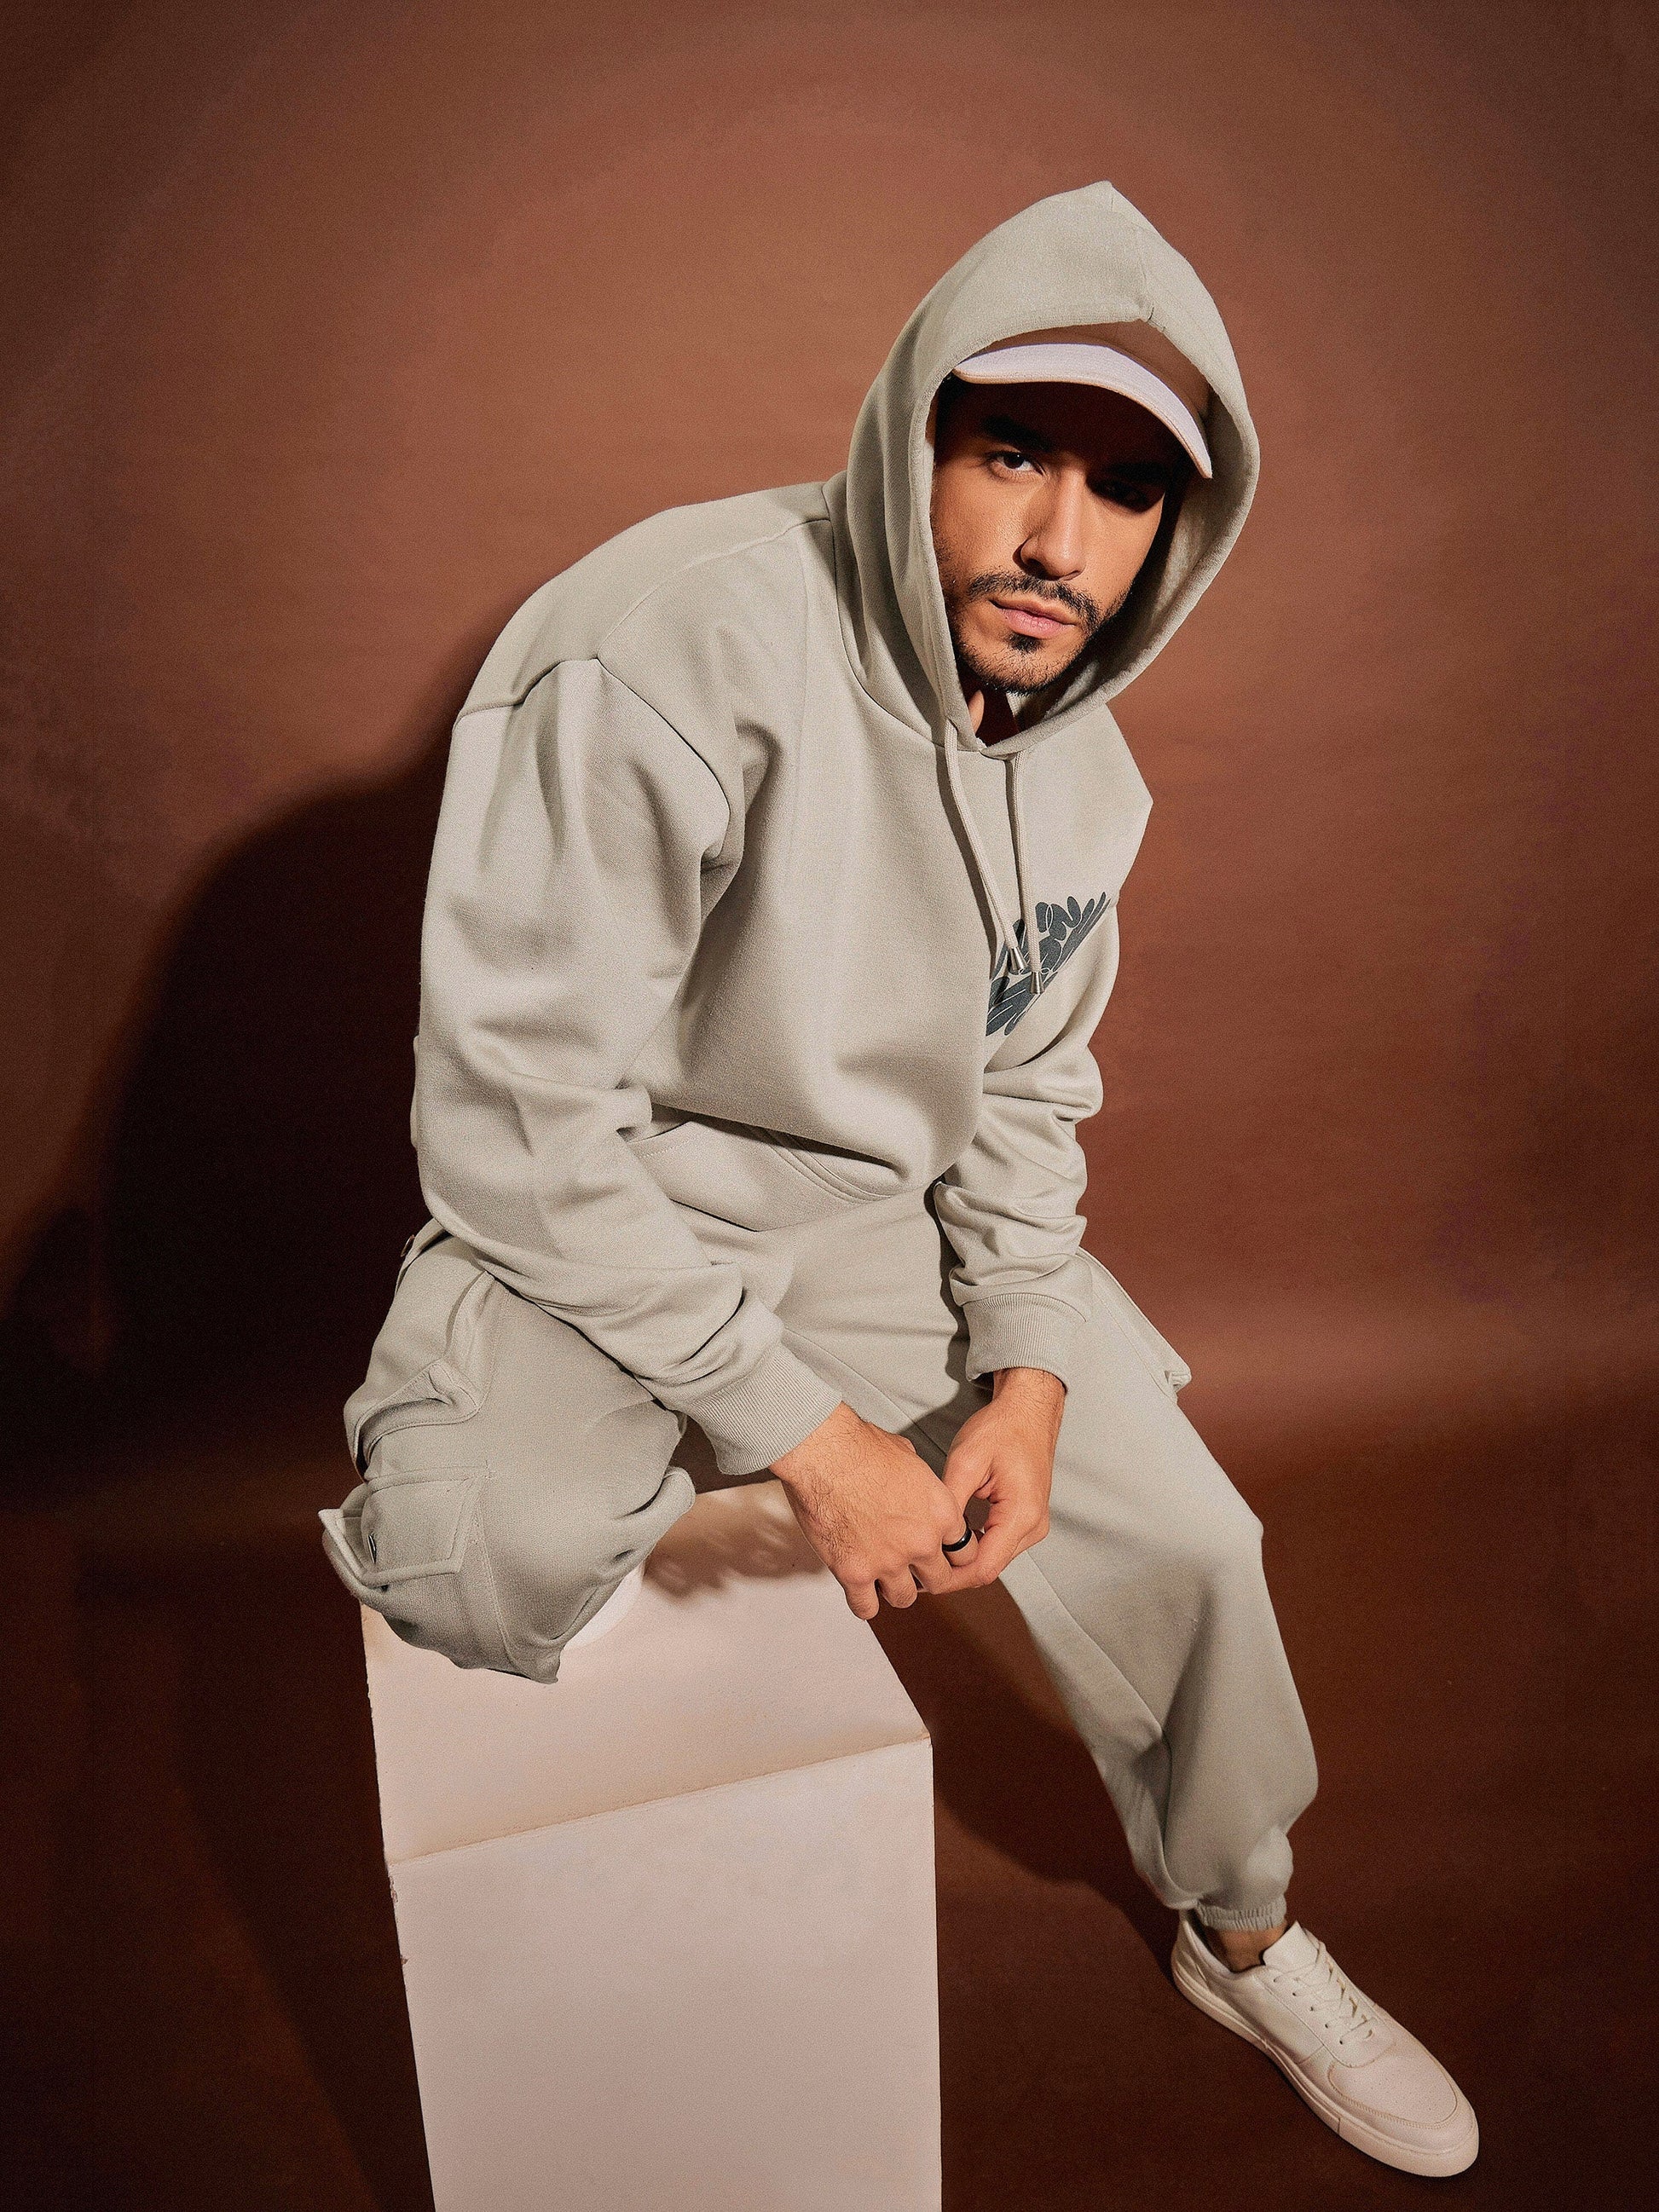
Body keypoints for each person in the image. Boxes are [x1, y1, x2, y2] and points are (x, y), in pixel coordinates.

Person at [322, 182, 1477, 2179]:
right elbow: (516, 1113)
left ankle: (1244, 1928)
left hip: (866, 1221)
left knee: (1193, 1545)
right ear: (912, 437)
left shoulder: (1086, 774)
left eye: (1126, 489)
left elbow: (1022, 1090)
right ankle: (545, 1433)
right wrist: (800, 1431)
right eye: (1012, 452)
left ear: (1178, 528)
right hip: (598, 1202)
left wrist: (1024, 1359)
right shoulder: (661, 639)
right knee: (479, 1568)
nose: (1059, 541)